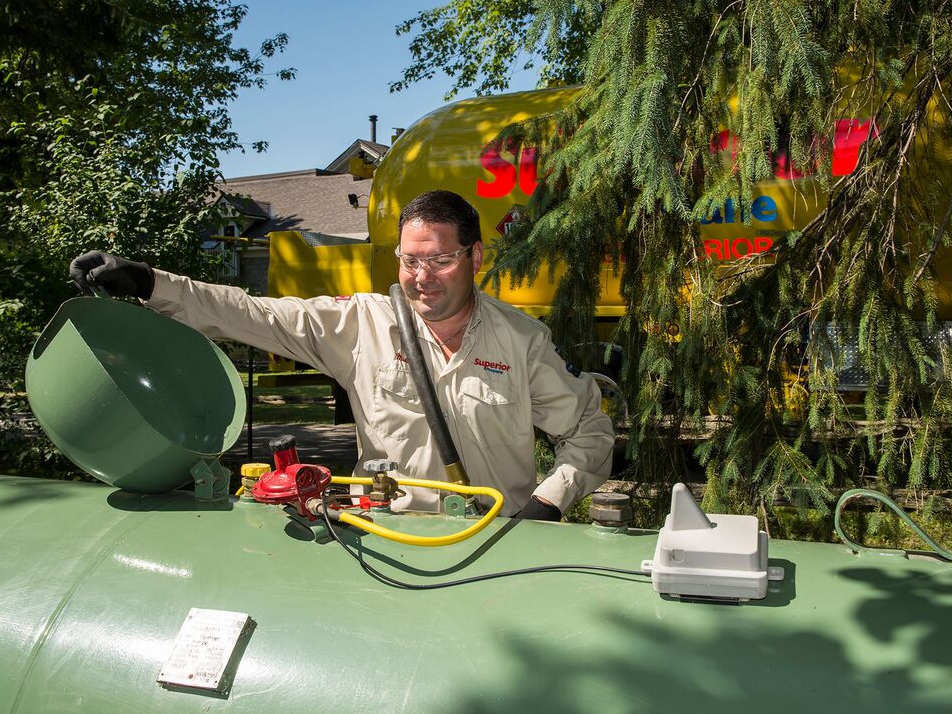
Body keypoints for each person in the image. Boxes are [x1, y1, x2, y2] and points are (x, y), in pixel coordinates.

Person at [69, 189, 613, 520]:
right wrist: (149, 282)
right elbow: (252, 313)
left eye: (441, 260)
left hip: (494, 541)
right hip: (388, 540)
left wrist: (546, 504)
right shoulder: (360, 324)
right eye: (409, 261)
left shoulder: (522, 341)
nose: (421, 279)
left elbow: (589, 430)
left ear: (475, 256)